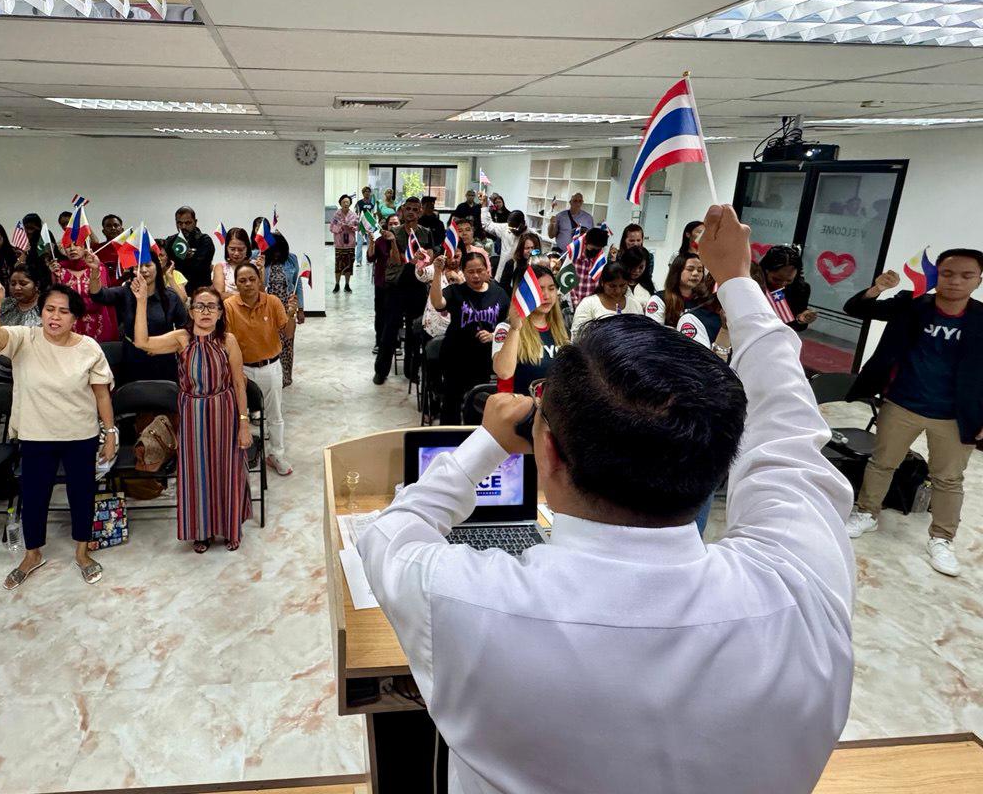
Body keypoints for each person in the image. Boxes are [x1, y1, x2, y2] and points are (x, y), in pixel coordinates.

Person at [359, 204, 856, 794]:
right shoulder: (804, 586)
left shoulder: (467, 600)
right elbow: (788, 426)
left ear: (547, 456)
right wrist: (741, 282)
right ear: (724, 455)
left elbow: (388, 533)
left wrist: (486, 443)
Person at [842, 251, 983, 577]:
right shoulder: (912, 302)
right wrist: (877, 288)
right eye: (948, 273)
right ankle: (867, 513)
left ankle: (942, 539)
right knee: (882, 463)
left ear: (978, 280)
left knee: (948, 479)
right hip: (902, 403)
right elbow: (857, 309)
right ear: (938, 275)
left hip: (955, 414)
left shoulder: (981, 319)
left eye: (966, 275)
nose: (955, 281)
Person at [0, 280, 114, 587]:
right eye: (50, 309)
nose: (55, 317)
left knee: (82, 494)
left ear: (74, 317)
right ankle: (32, 554)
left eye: (63, 312)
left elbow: (102, 395)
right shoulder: (25, 338)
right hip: (35, 434)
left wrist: (110, 433)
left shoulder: (88, 347)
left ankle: (82, 552)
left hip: (80, 434)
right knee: (35, 495)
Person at [131, 281, 253, 552]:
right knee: (197, 473)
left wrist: (244, 424)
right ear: (192, 311)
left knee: (227, 471)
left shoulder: (228, 341)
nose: (206, 311)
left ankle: (230, 527)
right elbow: (142, 342)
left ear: (221, 312)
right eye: (200, 306)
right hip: (193, 415)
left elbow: (238, 383)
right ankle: (202, 530)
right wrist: (141, 301)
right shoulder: (180, 339)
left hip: (225, 412)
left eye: (212, 306)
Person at [224, 262, 293, 476]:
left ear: (259, 280)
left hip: (270, 367)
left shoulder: (272, 302)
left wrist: (292, 313)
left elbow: (288, 333)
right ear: (236, 284)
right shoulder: (229, 306)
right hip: (240, 370)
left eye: (252, 279)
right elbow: (224, 340)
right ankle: (238, 455)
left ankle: (276, 455)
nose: (247, 284)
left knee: (275, 415)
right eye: (242, 280)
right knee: (238, 415)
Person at [429, 252, 508, 425]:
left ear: (487, 271)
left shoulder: (499, 294)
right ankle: (449, 441)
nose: (476, 276)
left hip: (483, 360)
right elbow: (437, 303)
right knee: (451, 403)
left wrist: (494, 335)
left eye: (480, 271)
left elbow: (508, 326)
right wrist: (437, 272)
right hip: (455, 357)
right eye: (470, 272)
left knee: (477, 404)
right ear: (463, 272)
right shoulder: (456, 291)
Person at [90, 251, 188, 382]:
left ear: (157, 267)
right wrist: (95, 271)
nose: (143, 270)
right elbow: (98, 295)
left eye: (148, 265)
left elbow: (185, 327)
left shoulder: (170, 297)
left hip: (164, 357)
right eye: (138, 267)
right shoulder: (126, 292)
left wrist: (164, 345)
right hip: (132, 355)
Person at [374, 200, 434, 385]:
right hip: (396, 286)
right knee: (389, 330)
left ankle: (411, 370)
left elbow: (430, 257)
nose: (411, 213)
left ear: (420, 212)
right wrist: (406, 256)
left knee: (415, 331)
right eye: (408, 209)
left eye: (415, 210)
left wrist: (422, 259)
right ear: (402, 211)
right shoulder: (394, 232)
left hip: (417, 288)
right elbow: (394, 259)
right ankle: (381, 371)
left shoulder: (426, 233)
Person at [492, 264, 567, 396]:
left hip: (556, 408)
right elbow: (504, 372)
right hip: (521, 409)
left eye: (551, 289)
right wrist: (515, 329)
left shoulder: (563, 330)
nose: (546, 295)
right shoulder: (505, 328)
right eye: (539, 289)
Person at [47, 245, 119, 343]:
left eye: (76, 245)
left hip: (98, 321)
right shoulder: (59, 270)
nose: (72, 249)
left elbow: (102, 297)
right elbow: (58, 300)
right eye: (68, 246)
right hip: (71, 323)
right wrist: (54, 276)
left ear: (85, 248)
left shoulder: (98, 267)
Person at [261, 232, 306, 386]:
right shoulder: (262, 259)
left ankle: (286, 376)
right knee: (272, 342)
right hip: (268, 308)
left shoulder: (291, 259)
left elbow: (297, 283)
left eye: (279, 251)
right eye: (273, 251)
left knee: (287, 341)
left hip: (288, 306)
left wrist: (300, 308)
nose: (277, 254)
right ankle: (272, 376)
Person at [570, 261, 644, 339]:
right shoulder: (588, 304)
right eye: (612, 286)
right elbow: (577, 335)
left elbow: (642, 333)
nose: (618, 290)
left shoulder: (635, 305)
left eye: (622, 285)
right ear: (602, 283)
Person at [760, 245, 818, 331]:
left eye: (789, 280)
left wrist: (801, 319)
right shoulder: (753, 283)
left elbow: (796, 326)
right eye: (776, 279)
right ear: (765, 270)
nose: (782, 285)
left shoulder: (800, 289)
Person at [644, 251, 706, 327]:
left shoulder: (704, 300)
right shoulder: (659, 299)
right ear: (677, 271)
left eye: (700, 270)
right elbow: (653, 331)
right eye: (690, 269)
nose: (696, 274)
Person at [162, 205, 216, 289]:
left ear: (195, 222)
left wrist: (178, 259)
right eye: (179, 223)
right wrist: (187, 258)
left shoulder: (205, 240)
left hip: (199, 291)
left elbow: (199, 268)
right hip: (176, 290)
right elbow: (165, 265)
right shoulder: (170, 241)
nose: (183, 227)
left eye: (187, 223)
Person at [367, 214, 400, 353]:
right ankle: (379, 341)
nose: (393, 226)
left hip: (398, 283)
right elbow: (370, 258)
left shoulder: (403, 241)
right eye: (391, 223)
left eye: (396, 223)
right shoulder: (380, 240)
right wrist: (371, 243)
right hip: (381, 282)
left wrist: (394, 242)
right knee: (380, 313)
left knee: (396, 313)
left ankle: (396, 342)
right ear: (386, 225)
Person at [417, 247, 462, 339]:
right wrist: (421, 261)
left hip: (457, 330)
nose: (453, 260)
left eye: (456, 257)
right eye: (449, 257)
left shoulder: (467, 273)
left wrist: (459, 280)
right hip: (432, 327)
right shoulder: (437, 268)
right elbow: (421, 275)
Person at [566, 226, 610, 309]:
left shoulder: (600, 260)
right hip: (573, 303)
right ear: (586, 242)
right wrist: (575, 304)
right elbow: (568, 281)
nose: (595, 252)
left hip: (592, 305)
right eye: (592, 248)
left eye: (598, 250)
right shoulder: (575, 256)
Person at [482, 208, 528, 283]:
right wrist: (484, 207)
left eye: (514, 227)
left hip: (520, 276)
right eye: (509, 227)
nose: (511, 230)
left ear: (522, 223)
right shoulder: (505, 228)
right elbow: (487, 225)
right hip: (501, 275)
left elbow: (537, 252)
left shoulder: (531, 235)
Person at [329, 195, 359, 294]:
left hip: (350, 243)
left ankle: (347, 285)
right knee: (338, 265)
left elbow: (358, 227)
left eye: (347, 202)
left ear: (350, 203)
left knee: (349, 265)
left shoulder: (354, 215)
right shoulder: (336, 215)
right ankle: (337, 284)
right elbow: (331, 228)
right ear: (340, 203)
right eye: (344, 202)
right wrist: (340, 228)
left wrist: (353, 228)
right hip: (339, 243)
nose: (346, 204)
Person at [213, 226, 253, 296]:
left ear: (247, 249)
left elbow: (261, 294)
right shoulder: (220, 267)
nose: (236, 253)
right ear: (227, 248)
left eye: (240, 249)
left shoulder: (256, 266)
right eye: (232, 249)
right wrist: (245, 297)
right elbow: (219, 295)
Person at [617, 223, 655, 292]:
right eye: (631, 241)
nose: (635, 244)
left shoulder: (648, 256)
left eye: (638, 240)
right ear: (624, 240)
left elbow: (647, 277)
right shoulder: (618, 255)